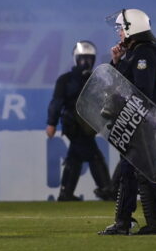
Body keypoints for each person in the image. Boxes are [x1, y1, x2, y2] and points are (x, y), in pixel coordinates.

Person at [99, 8, 156, 236]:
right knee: (130, 172)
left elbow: (141, 90)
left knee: (139, 170)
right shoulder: (135, 53)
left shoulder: (144, 54)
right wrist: (118, 62)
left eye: (120, 28)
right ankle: (125, 222)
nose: (118, 32)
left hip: (141, 120)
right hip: (134, 119)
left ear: (132, 29)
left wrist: (123, 65)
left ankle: (150, 223)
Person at [46, 40, 114, 201]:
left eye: (89, 59)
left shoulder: (95, 79)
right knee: (94, 156)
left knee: (74, 157)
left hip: (88, 124)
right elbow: (56, 102)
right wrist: (51, 123)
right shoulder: (66, 79)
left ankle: (65, 193)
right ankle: (106, 189)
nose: (86, 62)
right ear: (76, 59)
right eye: (83, 58)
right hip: (73, 124)